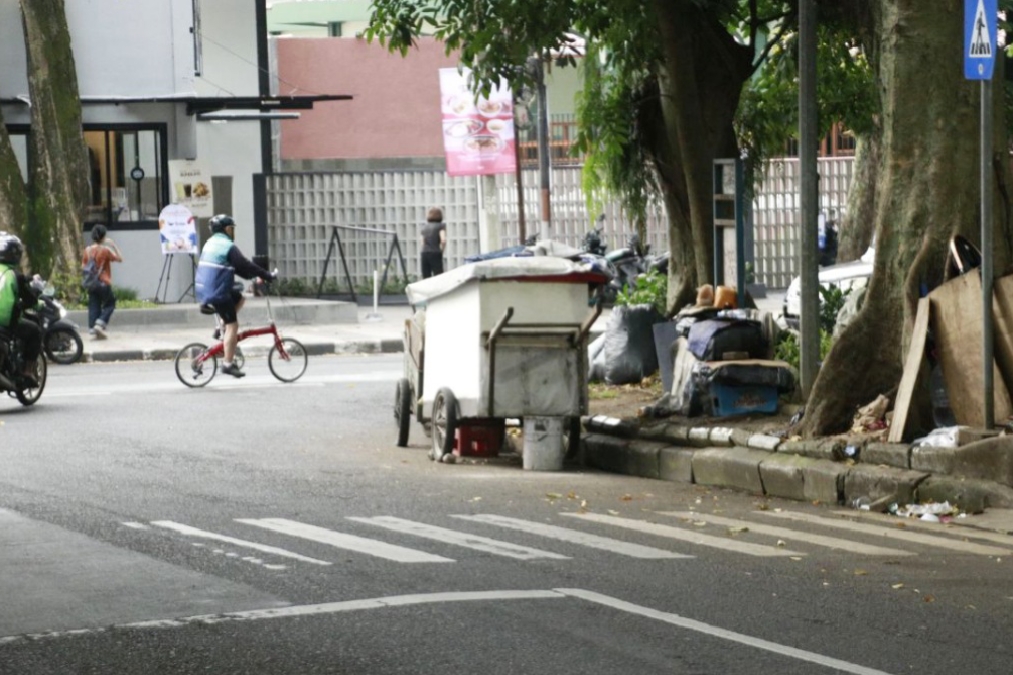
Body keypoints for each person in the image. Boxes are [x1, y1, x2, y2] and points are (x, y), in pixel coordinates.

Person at [194, 214, 276, 378]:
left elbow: (235, 267)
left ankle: (222, 327)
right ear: (226, 229)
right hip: (217, 292)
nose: (233, 232)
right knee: (234, 326)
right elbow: (244, 264)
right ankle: (228, 364)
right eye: (232, 228)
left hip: (205, 290)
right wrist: (267, 275)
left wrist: (251, 278)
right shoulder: (227, 245)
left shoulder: (211, 243)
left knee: (239, 298)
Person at [0, 232, 42, 387]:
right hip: (4, 325)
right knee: (34, 331)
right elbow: (30, 299)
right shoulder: (13, 275)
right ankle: (28, 371)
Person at [82, 224, 123, 340]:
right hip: (104, 282)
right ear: (103, 237)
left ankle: (93, 329)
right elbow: (120, 258)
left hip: (91, 283)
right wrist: (113, 245)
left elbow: (83, 266)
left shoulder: (87, 250)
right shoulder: (105, 250)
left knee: (94, 305)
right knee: (110, 303)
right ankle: (100, 324)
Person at [419, 207, 446, 278]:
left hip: (424, 253)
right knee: (439, 276)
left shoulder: (424, 227)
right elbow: (443, 240)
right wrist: (441, 251)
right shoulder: (441, 226)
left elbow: (422, 242)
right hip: (435, 252)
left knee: (426, 276)